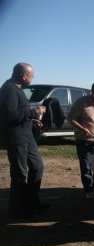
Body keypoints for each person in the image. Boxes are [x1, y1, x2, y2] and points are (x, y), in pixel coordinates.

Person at [0, 63, 48, 218]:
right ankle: (17, 209)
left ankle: (31, 201)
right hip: (17, 139)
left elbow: (20, 114)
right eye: (31, 75)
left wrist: (32, 120)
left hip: (27, 137)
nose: (32, 78)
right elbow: (10, 116)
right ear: (23, 75)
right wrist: (34, 112)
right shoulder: (9, 90)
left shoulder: (17, 89)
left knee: (37, 167)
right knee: (20, 174)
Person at [67, 81, 94, 199]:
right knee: (86, 166)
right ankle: (89, 190)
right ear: (92, 92)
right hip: (83, 140)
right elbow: (71, 118)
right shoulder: (81, 102)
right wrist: (82, 129)